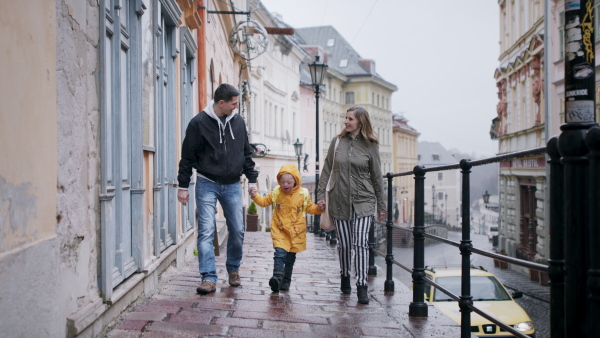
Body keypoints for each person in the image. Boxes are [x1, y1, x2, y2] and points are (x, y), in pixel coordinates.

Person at [177, 83, 258, 295]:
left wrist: (252, 180)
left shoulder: (238, 122)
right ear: (221, 103)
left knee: (238, 230)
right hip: (206, 182)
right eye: (233, 104)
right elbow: (187, 157)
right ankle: (208, 278)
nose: (236, 107)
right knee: (206, 231)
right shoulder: (198, 123)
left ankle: (233, 270)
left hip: (232, 184)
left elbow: (245, 152)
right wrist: (183, 186)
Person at [316, 106, 386, 304]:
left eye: (350, 119)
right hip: (340, 199)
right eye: (346, 118)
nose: (346, 122)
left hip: (364, 200)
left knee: (361, 243)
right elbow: (327, 169)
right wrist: (321, 195)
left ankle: (362, 285)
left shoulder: (371, 145)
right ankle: (345, 274)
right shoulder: (337, 142)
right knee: (345, 244)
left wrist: (381, 204)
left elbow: (377, 176)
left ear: (360, 122)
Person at [249, 164, 324, 293]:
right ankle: (277, 278)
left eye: (289, 182)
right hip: (280, 229)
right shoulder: (277, 192)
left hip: (296, 232)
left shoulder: (303, 194)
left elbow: (310, 208)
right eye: (283, 182)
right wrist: (254, 195)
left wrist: (319, 208)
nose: (285, 185)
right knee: (279, 254)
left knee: (290, 259)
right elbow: (263, 202)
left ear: (296, 181)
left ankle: (286, 281)